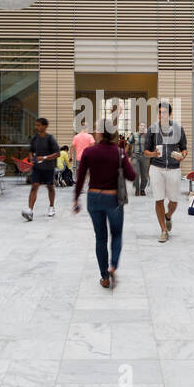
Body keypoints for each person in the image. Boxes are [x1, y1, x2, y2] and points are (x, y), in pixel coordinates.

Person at [73, 119, 135, 289]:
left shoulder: (89, 152)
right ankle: (113, 265)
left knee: (100, 238)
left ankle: (104, 277)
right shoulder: (119, 152)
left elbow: (80, 178)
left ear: (99, 133)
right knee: (116, 234)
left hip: (93, 198)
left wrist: (76, 199)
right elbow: (131, 176)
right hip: (113, 199)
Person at [143, 101, 187, 242]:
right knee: (159, 200)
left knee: (173, 201)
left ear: (170, 114)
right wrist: (153, 154)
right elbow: (145, 151)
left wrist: (183, 155)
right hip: (156, 168)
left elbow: (184, 148)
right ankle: (163, 230)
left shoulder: (178, 129)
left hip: (174, 168)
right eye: (160, 112)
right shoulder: (152, 129)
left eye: (165, 112)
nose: (162, 115)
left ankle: (168, 216)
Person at [22, 117, 60, 220]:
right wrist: (31, 159)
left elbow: (57, 153)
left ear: (45, 126)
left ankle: (51, 206)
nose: (36, 127)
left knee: (50, 187)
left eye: (38, 125)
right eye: (36, 125)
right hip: (37, 168)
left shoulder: (50, 138)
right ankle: (30, 210)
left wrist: (44, 157)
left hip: (49, 168)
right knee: (34, 186)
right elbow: (31, 151)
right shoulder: (34, 138)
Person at [129, 122, 150, 196]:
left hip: (145, 157)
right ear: (138, 127)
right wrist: (125, 155)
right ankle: (137, 189)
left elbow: (151, 144)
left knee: (144, 175)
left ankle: (142, 189)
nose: (142, 127)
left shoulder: (147, 136)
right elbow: (128, 143)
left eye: (144, 126)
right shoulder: (134, 135)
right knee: (136, 173)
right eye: (141, 125)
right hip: (135, 156)